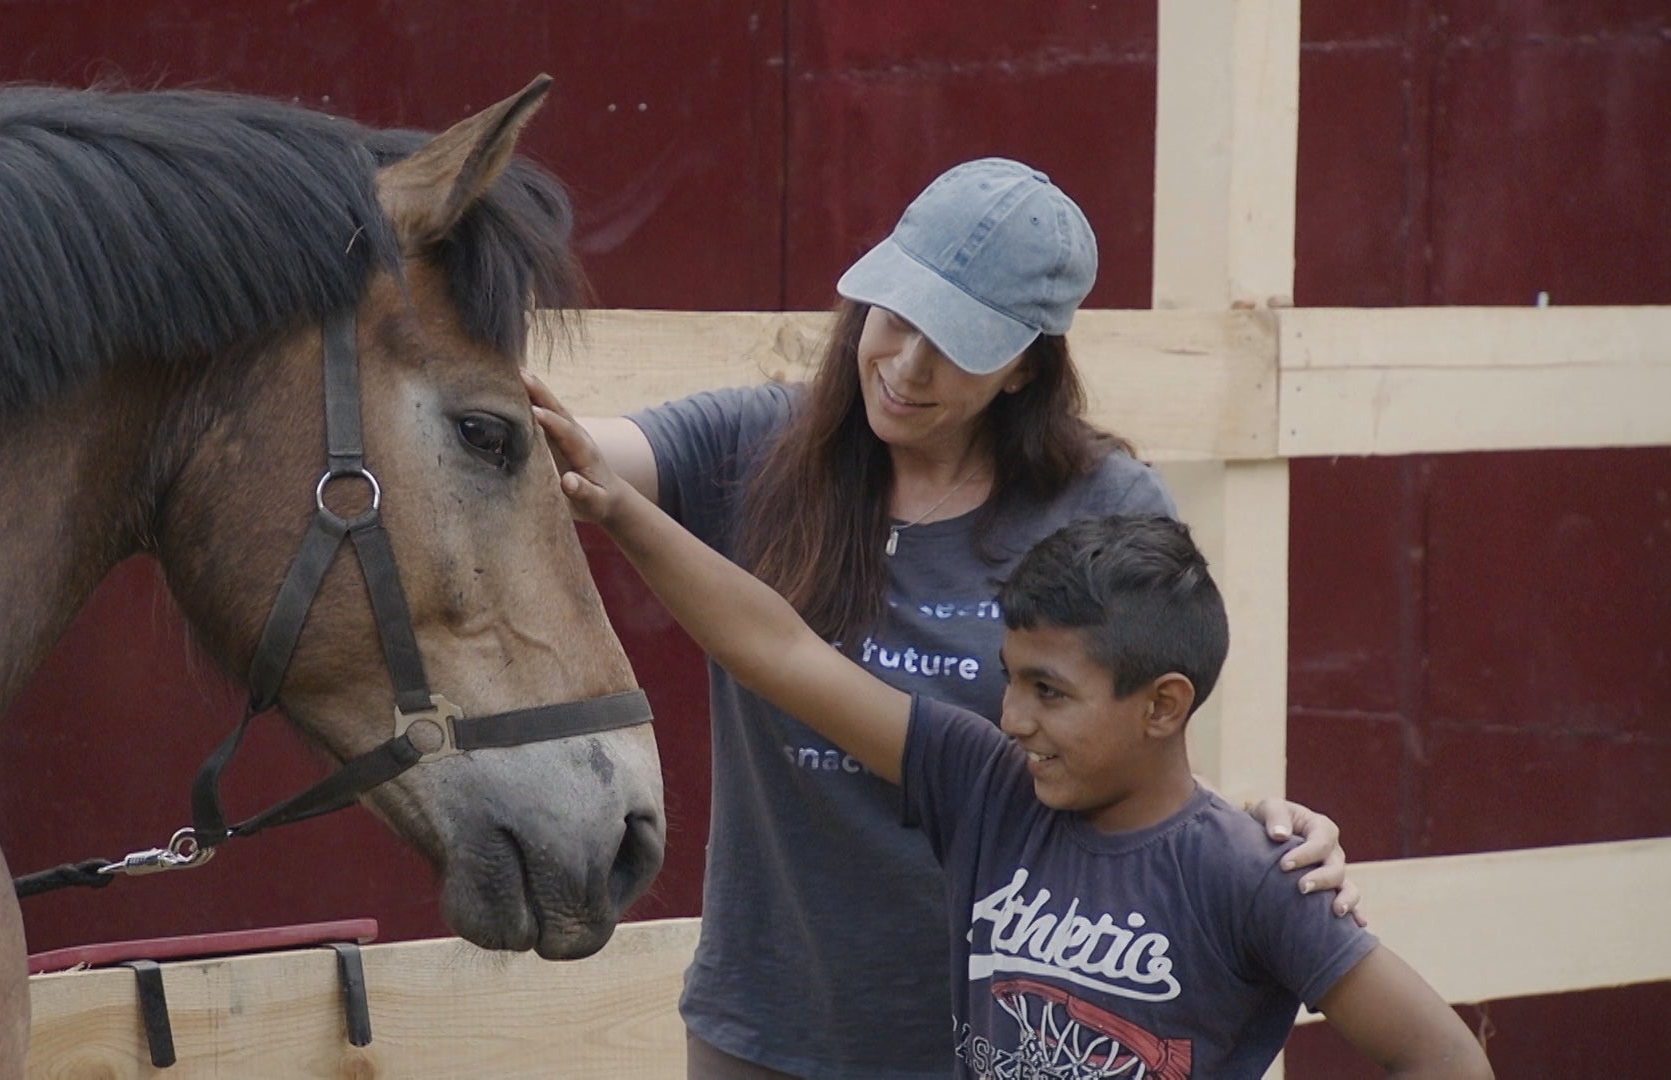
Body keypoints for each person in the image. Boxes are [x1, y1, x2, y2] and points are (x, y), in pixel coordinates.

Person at [572, 158, 1362, 1078]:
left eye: (957, 343)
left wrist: (1256, 836)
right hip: (765, 1027)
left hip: (1001, 1038)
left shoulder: (1105, 508)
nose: (907, 367)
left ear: (1027, 365)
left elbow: (1142, 743)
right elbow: (559, 460)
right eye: (896, 317)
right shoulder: (753, 448)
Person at [520, 406, 1492, 1078]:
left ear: (1163, 707)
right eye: (1009, 681)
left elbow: (1443, 1056)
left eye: (1048, 693)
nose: (1012, 716)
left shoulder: (1250, 872)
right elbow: (778, 651)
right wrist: (616, 507)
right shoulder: (983, 784)